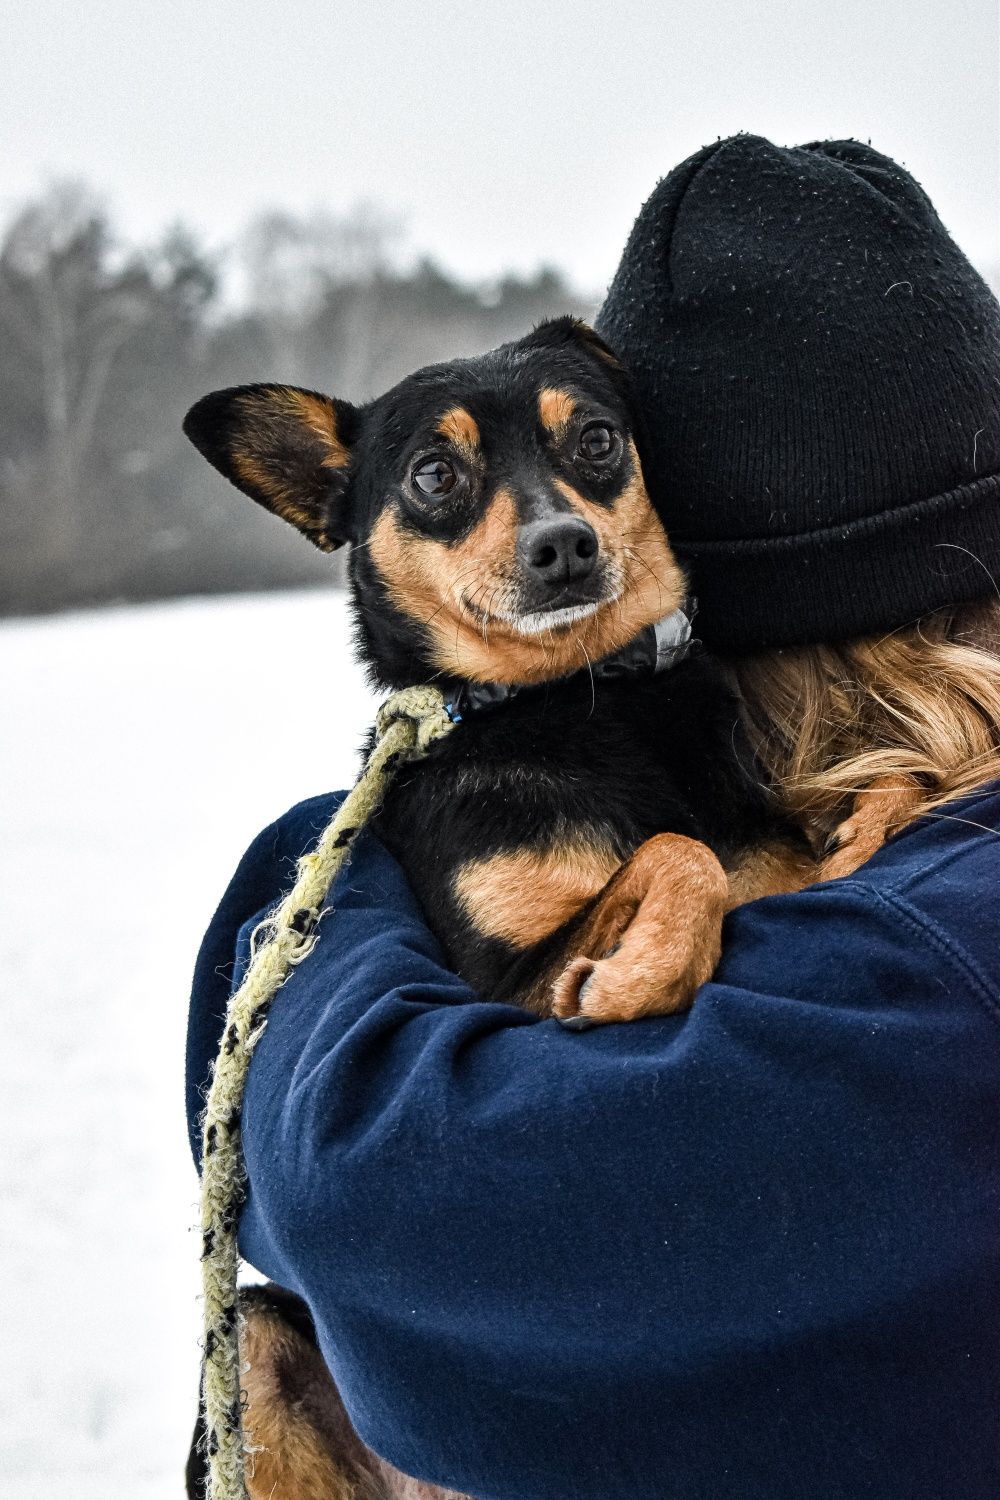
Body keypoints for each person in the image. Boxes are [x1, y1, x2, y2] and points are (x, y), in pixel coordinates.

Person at [186, 137, 1000, 1499]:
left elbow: (366, 1187)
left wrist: (314, 873)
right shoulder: (864, 861)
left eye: (592, 461)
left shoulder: (937, 956)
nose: (553, 526)